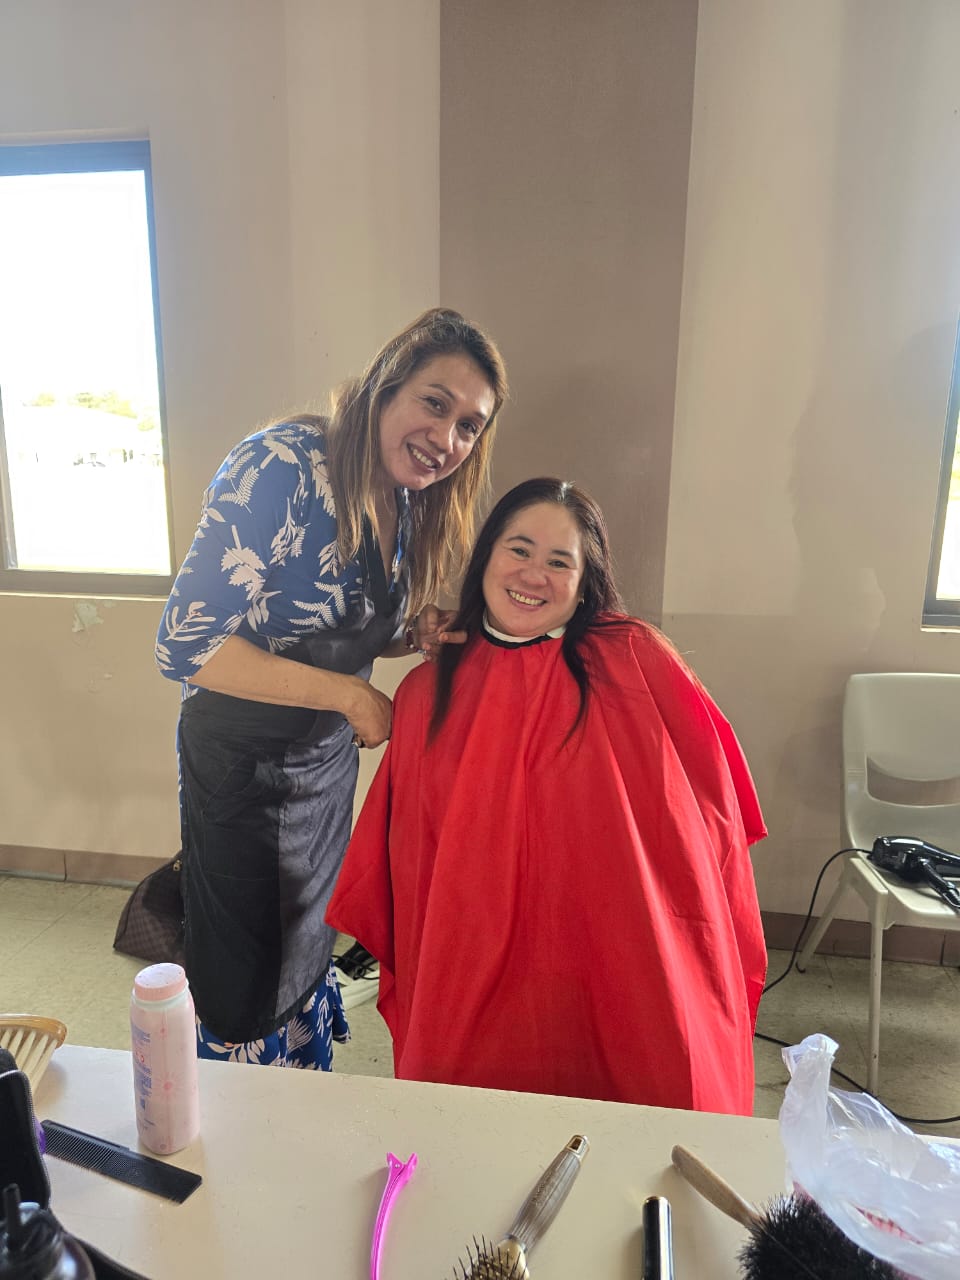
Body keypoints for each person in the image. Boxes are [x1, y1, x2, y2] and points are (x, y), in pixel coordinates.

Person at [326, 478, 767, 1113]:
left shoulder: (636, 660)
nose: (534, 575)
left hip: (622, 950)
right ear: (486, 557)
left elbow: (705, 810)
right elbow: (412, 860)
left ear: (586, 582)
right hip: (472, 954)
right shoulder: (430, 691)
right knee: (474, 1124)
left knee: (648, 1090)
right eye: (520, 550)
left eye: (560, 562)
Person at [154, 308, 508, 1068]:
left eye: (470, 426)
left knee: (305, 942)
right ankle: (237, 1121)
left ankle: (297, 1099)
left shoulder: (406, 498)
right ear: (387, 387)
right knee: (243, 972)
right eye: (434, 403)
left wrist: (414, 634)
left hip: (321, 771)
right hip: (241, 771)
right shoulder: (283, 466)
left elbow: (331, 622)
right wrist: (350, 696)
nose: (447, 439)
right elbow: (187, 641)